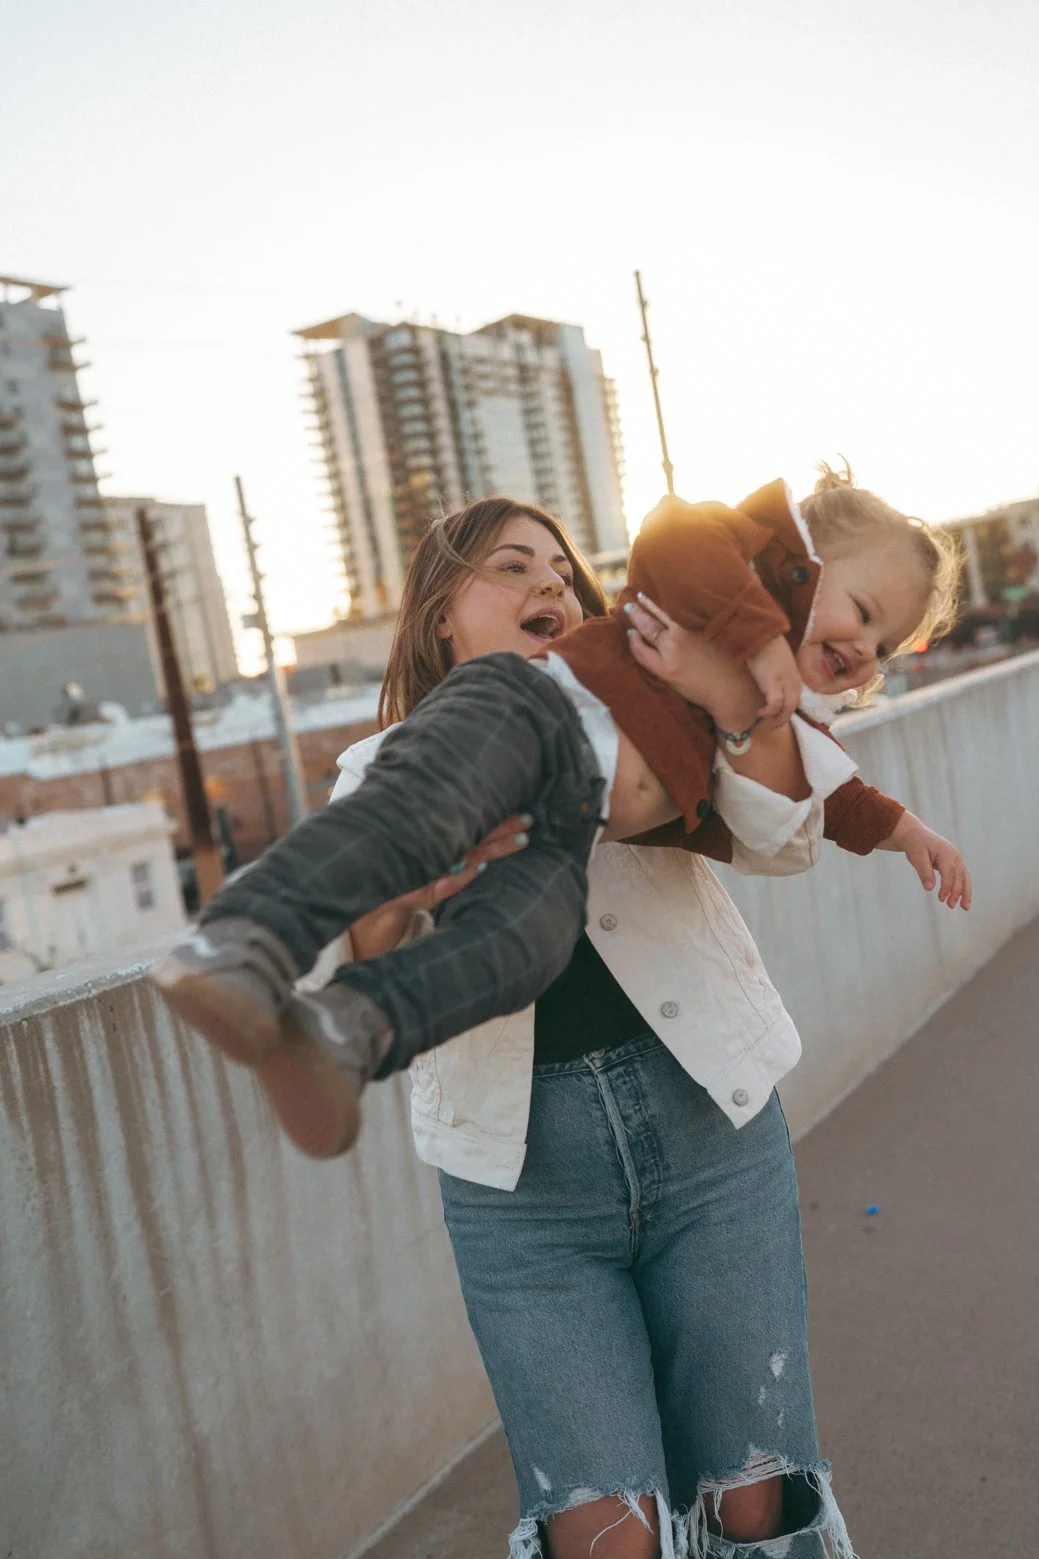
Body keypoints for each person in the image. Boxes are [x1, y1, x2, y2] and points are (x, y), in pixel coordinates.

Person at [307, 493, 888, 1559]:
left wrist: (742, 692)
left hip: (710, 1139)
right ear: (442, 619)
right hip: (525, 1198)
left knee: (751, 1500)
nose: (551, 587)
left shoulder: (651, 700)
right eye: (512, 568)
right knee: (607, 1556)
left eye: (563, 571)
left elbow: (783, 839)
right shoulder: (384, 766)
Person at [152, 471, 968, 1162]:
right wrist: (753, 641)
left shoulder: (774, 721)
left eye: (886, 645)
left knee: (527, 942)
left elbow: (820, 813)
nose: (866, 647)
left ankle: (347, 1031)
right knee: (414, 813)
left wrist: (904, 831)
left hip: (564, 826)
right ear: (801, 559)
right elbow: (678, 535)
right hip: (530, 718)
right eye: (861, 610)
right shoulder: (719, 575)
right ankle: (242, 940)